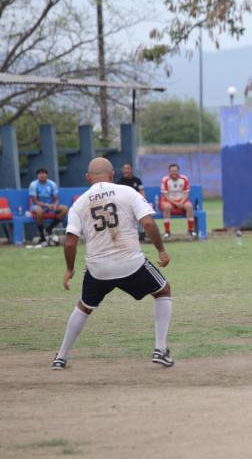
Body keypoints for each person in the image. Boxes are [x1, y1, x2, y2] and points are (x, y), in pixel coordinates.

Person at [51, 157, 173, 370]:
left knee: (84, 307)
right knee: (163, 291)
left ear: (88, 177)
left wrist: (70, 269)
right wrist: (161, 250)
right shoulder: (128, 192)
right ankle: (160, 349)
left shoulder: (79, 203)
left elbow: (70, 243)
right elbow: (147, 222)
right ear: (112, 175)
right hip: (130, 262)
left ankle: (61, 356)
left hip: (98, 268)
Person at [28, 168, 69, 244]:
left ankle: (49, 228)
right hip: (37, 206)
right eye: (40, 173)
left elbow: (56, 198)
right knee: (39, 211)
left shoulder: (52, 184)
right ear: (37, 175)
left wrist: (55, 205)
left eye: (44, 173)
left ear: (47, 175)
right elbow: (34, 200)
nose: (42, 175)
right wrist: (46, 205)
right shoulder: (33, 185)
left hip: (50, 206)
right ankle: (42, 236)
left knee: (65, 209)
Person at [160, 164, 196, 239]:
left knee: (189, 206)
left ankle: (191, 230)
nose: (174, 173)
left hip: (182, 201)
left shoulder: (184, 178)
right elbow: (165, 195)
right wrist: (175, 203)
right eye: (172, 171)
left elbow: (186, 193)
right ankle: (167, 232)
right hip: (169, 201)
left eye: (175, 171)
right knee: (166, 207)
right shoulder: (165, 179)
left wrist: (181, 202)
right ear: (169, 172)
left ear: (178, 171)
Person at [116, 163, 147, 241]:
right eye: (125, 169)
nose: (126, 170)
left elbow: (142, 192)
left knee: (143, 214)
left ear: (131, 170)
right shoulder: (119, 182)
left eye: (128, 168)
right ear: (122, 170)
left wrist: (143, 201)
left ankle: (142, 234)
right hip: (124, 206)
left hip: (136, 204)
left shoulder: (137, 180)